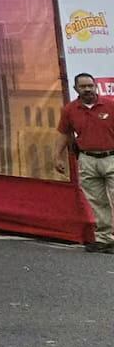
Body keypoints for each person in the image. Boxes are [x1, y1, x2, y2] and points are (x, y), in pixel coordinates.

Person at [58, 73, 114, 253]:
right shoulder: (69, 110)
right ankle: (105, 240)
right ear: (76, 89)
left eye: (90, 85)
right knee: (98, 202)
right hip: (87, 160)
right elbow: (64, 134)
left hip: (111, 158)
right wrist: (57, 156)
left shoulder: (110, 105)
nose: (88, 89)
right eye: (83, 86)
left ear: (95, 85)